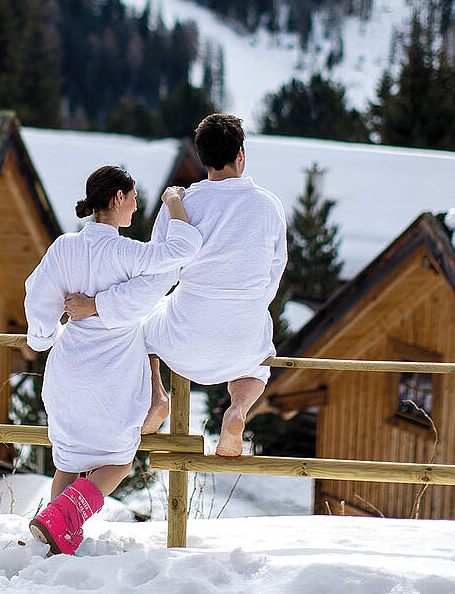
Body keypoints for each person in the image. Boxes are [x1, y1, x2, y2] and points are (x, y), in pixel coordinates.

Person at [64, 114, 288, 457]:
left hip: (183, 344)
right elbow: (275, 269)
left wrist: (98, 304)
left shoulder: (183, 203)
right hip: (242, 341)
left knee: (142, 326)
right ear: (240, 154)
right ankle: (238, 410)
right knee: (260, 361)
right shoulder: (269, 205)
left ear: (202, 157)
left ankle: (157, 396)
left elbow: (159, 275)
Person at [23, 165, 202, 556]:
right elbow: (182, 255)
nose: (136, 208)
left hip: (68, 364)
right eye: (135, 199)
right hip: (112, 373)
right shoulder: (127, 253)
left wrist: (46, 335)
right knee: (119, 459)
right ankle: (60, 521)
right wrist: (173, 203)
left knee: (68, 459)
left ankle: (58, 540)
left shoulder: (65, 247)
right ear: (117, 198)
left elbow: (37, 297)